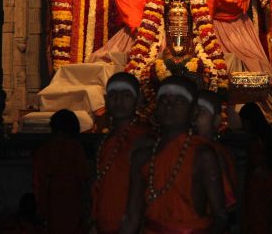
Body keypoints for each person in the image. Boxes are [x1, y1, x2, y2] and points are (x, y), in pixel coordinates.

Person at [121, 76, 227, 234]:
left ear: (193, 111)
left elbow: (220, 216)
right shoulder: (142, 156)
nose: (169, 106)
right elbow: (132, 217)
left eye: (179, 101)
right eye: (163, 101)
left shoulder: (202, 155)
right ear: (155, 109)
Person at [91, 73, 150, 234]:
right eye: (113, 95)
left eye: (126, 95)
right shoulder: (103, 141)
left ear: (138, 100)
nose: (118, 101)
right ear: (105, 100)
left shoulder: (144, 140)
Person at [32, 110, 90, 234]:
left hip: (50, 205)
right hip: (73, 204)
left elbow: (37, 182)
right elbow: (84, 177)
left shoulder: (43, 150)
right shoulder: (75, 148)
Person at [239, 103, 272, 234]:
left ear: (249, 121)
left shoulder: (256, 140)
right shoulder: (266, 136)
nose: (243, 126)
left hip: (258, 185)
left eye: (244, 122)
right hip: (263, 184)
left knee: (256, 219)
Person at [194, 90, 237, 213]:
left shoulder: (214, 154)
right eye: (192, 112)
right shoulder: (185, 146)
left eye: (201, 112)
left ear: (216, 120)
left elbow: (225, 204)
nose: (194, 119)